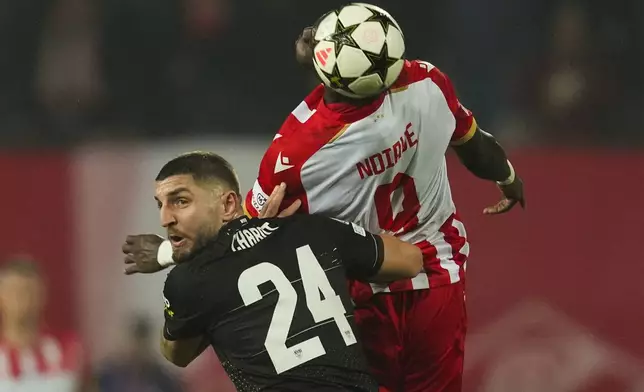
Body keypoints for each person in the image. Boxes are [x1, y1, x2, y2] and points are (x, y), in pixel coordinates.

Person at [123, 5, 526, 391]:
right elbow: (477, 147)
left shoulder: (295, 153)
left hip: (365, 293)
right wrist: (507, 178)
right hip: (438, 280)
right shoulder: (429, 82)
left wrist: (165, 254)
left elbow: (235, 235)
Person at [124, 151, 423, 391]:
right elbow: (411, 260)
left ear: (229, 204)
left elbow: (177, 354)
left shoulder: (189, 282)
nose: (165, 218)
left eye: (180, 201)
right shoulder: (314, 230)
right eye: (160, 205)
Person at [0, 257, 90, 391]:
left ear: (42, 295)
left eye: (29, 291)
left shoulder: (69, 348)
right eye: (15, 291)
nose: (23, 299)